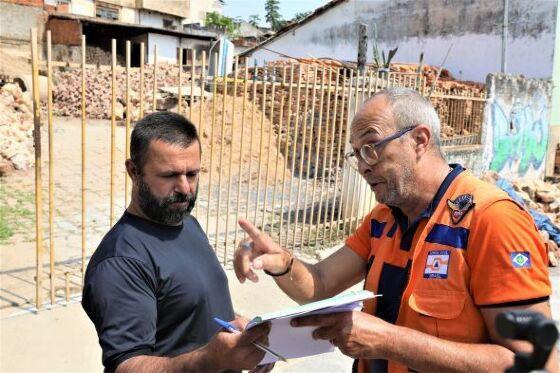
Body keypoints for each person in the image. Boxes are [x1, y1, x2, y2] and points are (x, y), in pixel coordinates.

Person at [234, 88, 558, 372]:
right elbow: (319, 284)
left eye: (372, 147)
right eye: (357, 154)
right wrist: (284, 264)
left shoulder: (492, 220)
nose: (363, 165)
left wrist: (389, 341)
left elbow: (536, 364)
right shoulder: (383, 220)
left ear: (419, 140)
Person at [82, 112, 270, 372]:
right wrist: (211, 359)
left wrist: (242, 335)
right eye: (169, 175)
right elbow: (127, 364)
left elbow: (189, 310)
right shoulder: (121, 261)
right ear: (134, 171)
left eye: (192, 174)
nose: (185, 188)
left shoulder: (187, 224)